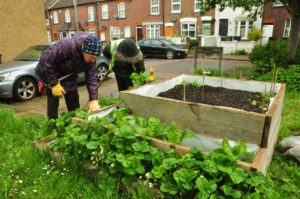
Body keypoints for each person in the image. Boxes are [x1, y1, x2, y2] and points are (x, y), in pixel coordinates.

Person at [36, 31, 101, 119]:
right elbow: (45, 61)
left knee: (74, 101)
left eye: (95, 58)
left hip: (69, 76)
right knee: (53, 103)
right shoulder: (67, 45)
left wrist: (93, 99)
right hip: (51, 75)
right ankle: (52, 126)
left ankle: (76, 123)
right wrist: (54, 83)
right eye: (91, 57)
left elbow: (92, 78)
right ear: (83, 50)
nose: (93, 60)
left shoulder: (91, 59)